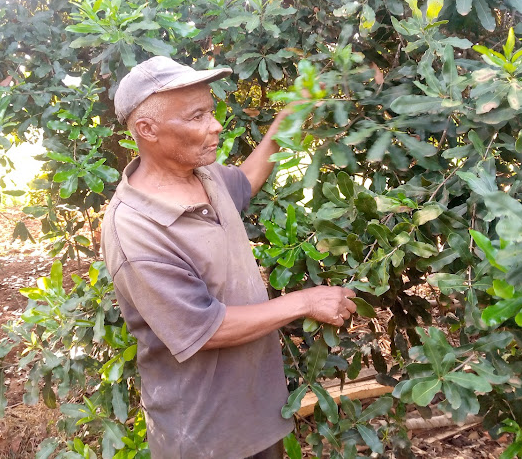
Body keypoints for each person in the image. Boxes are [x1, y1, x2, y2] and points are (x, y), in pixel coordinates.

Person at [101, 56, 356, 459]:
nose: (215, 125)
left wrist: (292, 115)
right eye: (196, 116)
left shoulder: (204, 175)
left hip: (255, 418)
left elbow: (248, 179)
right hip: (205, 436)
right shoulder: (135, 230)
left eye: (211, 110)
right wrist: (305, 301)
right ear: (147, 130)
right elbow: (204, 330)